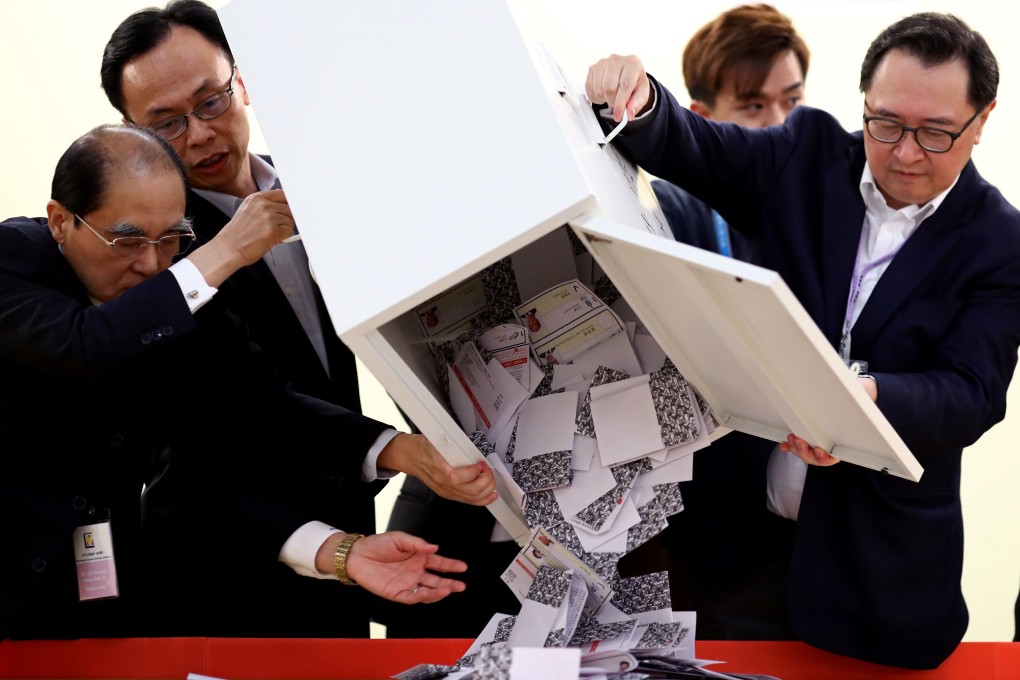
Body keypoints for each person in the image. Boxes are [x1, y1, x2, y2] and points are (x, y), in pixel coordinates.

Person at [585, 12, 1020, 670]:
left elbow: (971, 392)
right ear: (863, 103)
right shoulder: (806, 152)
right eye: (887, 124)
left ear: (982, 120)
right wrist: (640, 101)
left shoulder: (1000, 241)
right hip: (733, 546)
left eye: (935, 134)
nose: (905, 153)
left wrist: (863, 398)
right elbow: (697, 146)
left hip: (873, 572)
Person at [98, 0, 496, 635]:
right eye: (166, 123)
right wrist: (394, 452)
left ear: (244, 81)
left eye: (211, 102)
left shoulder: (332, 189)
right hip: (224, 582)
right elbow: (243, 409)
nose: (199, 134)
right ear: (132, 133)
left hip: (353, 556)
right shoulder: (152, 257)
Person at [0, 124, 475, 640]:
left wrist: (397, 457)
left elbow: (251, 410)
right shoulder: (13, 259)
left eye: (172, 240)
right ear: (60, 222)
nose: (152, 264)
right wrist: (226, 251)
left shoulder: (175, 293)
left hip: (99, 602)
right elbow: (86, 346)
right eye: (128, 240)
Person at [650, 3, 809, 260]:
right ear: (703, 117)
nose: (781, 124)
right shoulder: (664, 212)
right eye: (754, 106)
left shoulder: (849, 204)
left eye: (792, 100)